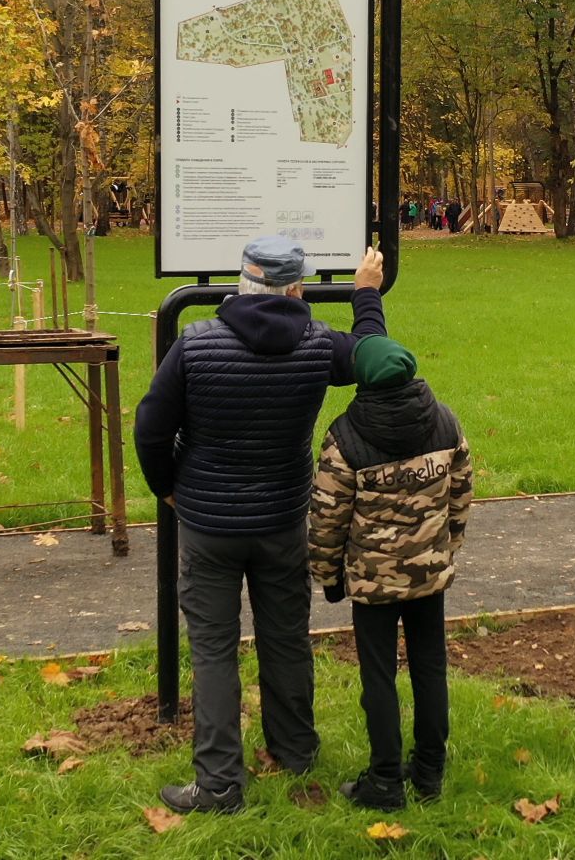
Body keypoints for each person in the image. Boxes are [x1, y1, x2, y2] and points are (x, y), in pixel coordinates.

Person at [134, 236, 389, 815]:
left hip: (206, 523)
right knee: (285, 636)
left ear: (241, 283)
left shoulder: (196, 345)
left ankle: (221, 783)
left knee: (214, 648)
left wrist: (168, 486)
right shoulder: (319, 345)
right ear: (296, 288)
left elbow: (151, 427)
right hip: (281, 521)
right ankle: (295, 749)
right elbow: (375, 356)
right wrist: (366, 295)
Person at [308, 336, 472, 811]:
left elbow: (326, 519)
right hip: (429, 578)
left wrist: (330, 578)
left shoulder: (345, 438)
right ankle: (428, 772)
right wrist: (446, 550)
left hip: (372, 583)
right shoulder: (446, 423)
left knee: (377, 677)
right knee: (430, 668)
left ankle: (384, 780)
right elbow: (460, 498)